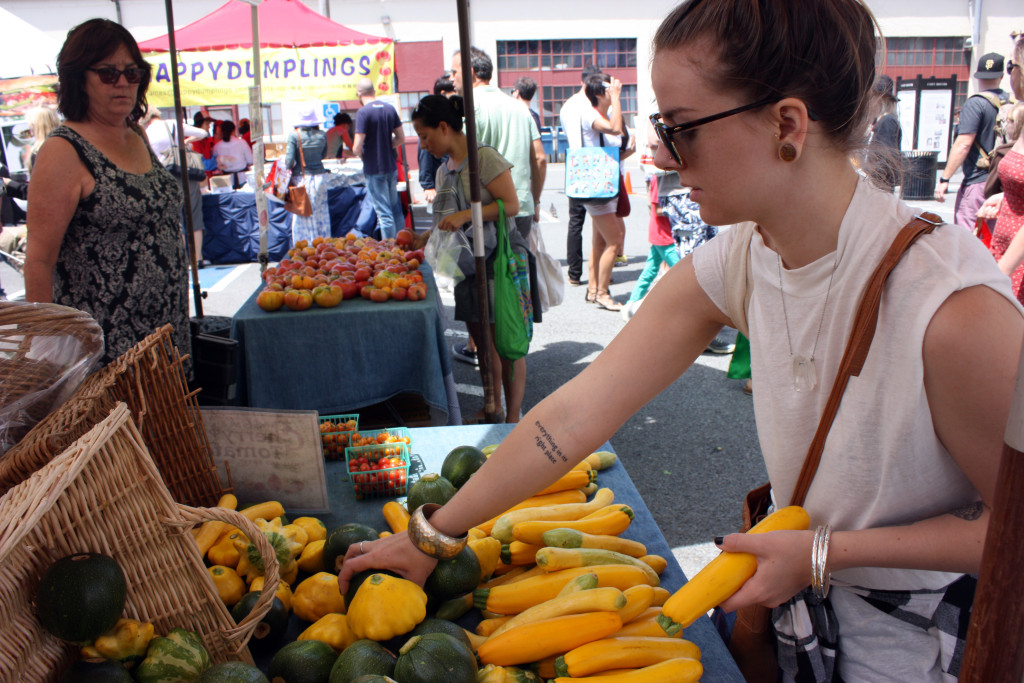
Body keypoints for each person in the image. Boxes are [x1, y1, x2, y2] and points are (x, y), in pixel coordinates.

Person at [339, 2, 1024, 681]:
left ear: (787, 124)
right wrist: (435, 533)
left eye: (681, 128)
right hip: (794, 634)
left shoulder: (950, 307)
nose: (660, 155)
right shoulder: (742, 256)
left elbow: (1017, 530)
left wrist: (825, 552)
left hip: (922, 655)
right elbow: (578, 412)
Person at [23, 18, 191, 370]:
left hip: (164, 332)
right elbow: (39, 261)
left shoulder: (136, 135)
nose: (123, 83)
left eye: (133, 73)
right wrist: (45, 351)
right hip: (106, 349)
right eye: (108, 73)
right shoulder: (63, 150)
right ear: (78, 78)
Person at [408, 95, 529, 423]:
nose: (423, 144)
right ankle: (494, 406)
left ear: (444, 127)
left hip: (499, 262)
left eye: (424, 135)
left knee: (507, 342)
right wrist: (422, 239)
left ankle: (513, 417)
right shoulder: (441, 172)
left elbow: (511, 205)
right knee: (484, 344)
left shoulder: (484, 158)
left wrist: (465, 215)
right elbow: (442, 224)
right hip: (466, 267)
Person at [451, 48, 545, 242]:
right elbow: (540, 158)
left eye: (454, 72)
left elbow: (460, 158)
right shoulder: (519, 106)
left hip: (486, 212)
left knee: (489, 271)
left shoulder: (468, 107)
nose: (451, 78)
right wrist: (534, 201)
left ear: (470, 72)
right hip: (521, 207)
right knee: (517, 269)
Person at [935, 52, 1011, 229]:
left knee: (968, 237)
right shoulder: (1012, 104)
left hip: (978, 181)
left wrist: (945, 178)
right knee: (995, 236)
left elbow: (963, 144)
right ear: (1001, 77)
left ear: (978, 77)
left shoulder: (976, 103)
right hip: (1003, 183)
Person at [978, 36, 1024, 306]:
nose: (1011, 74)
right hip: (1006, 254)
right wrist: (1006, 198)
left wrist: (1001, 273)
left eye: (1012, 66)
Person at [579, 72, 627, 312]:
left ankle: (593, 290)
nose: (614, 91)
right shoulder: (590, 115)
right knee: (614, 240)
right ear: (599, 94)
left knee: (599, 242)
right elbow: (615, 129)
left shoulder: (604, 113)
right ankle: (602, 293)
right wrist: (617, 99)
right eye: (609, 89)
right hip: (596, 187)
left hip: (606, 185)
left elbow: (619, 145)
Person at [142, 105, 210, 267]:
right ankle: (198, 258)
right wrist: (186, 142)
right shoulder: (173, 124)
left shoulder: (145, 132)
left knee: (174, 218)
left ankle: (182, 259)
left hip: (163, 176)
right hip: (187, 173)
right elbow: (203, 133)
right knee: (194, 216)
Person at [559, 64, 604, 286]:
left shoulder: (567, 105)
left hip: (574, 163)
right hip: (595, 165)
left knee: (575, 222)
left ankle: (574, 273)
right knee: (600, 220)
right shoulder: (594, 105)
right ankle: (600, 275)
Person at [353, 78, 404, 239]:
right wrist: (388, 145)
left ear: (358, 94)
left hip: (374, 168)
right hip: (391, 165)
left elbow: (356, 147)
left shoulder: (363, 113)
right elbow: (401, 138)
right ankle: (404, 244)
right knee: (395, 209)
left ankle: (390, 250)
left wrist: (363, 154)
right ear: (374, 91)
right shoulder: (389, 109)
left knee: (384, 213)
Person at [285, 106, 330, 244]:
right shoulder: (322, 135)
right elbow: (323, 155)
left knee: (302, 216)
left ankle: (304, 246)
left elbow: (289, 161)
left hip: (302, 178)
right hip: (320, 178)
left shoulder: (294, 135)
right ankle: (323, 245)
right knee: (321, 214)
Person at [418, 74, 456, 205]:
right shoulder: (432, 117)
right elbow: (424, 151)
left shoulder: (450, 116)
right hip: (440, 180)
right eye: (454, 92)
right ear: (443, 93)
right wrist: (428, 185)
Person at [866, 74, 902, 192]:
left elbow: (886, 158)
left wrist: (868, 174)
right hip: (879, 186)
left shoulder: (887, 121)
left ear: (880, 98)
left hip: (880, 187)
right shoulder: (883, 120)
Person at [212, 120, 253, 189]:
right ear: (234, 130)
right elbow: (250, 160)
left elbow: (215, 164)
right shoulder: (241, 143)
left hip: (226, 181)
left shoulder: (217, 146)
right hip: (243, 179)